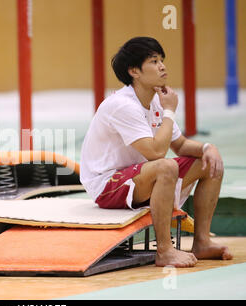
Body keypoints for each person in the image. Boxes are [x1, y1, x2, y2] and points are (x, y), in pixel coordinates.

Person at [80, 37, 232, 267]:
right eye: (154, 61)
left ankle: (202, 243)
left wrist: (208, 148)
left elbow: (179, 145)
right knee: (166, 166)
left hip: (140, 176)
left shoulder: (156, 102)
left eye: (162, 60)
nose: (162, 66)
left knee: (210, 163)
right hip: (107, 184)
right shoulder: (122, 105)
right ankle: (164, 251)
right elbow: (155, 152)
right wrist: (170, 111)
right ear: (134, 71)